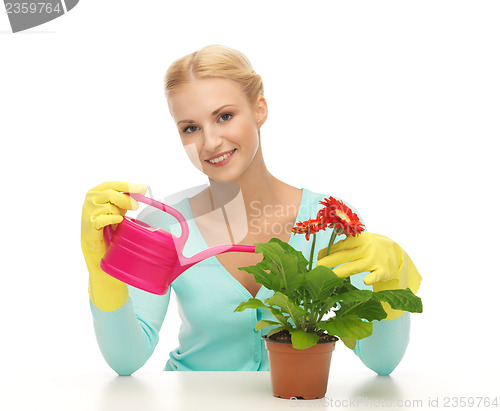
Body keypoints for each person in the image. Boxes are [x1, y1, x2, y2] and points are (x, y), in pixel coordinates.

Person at [80, 45, 422, 376]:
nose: (210, 142)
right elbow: (126, 360)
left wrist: (393, 280)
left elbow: (382, 362)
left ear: (259, 109)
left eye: (224, 116)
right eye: (191, 128)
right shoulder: (163, 225)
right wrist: (102, 272)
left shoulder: (329, 221)